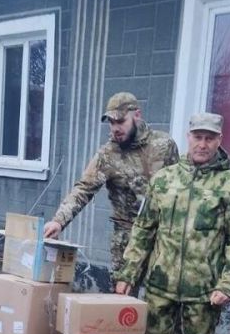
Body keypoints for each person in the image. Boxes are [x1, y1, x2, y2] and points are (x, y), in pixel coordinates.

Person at [114, 113, 230, 334]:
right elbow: (144, 230)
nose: (202, 144)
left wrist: (228, 283)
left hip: (204, 290)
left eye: (209, 138)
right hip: (161, 284)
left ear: (219, 140)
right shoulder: (164, 179)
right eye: (197, 137)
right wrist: (129, 273)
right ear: (188, 137)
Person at [44, 92, 179, 274]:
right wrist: (58, 221)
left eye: (121, 121)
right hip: (126, 238)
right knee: (121, 297)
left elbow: (180, 189)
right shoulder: (108, 154)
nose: (115, 128)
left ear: (137, 115)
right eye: (111, 122)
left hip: (160, 237)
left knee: (157, 298)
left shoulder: (164, 145)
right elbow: (84, 189)